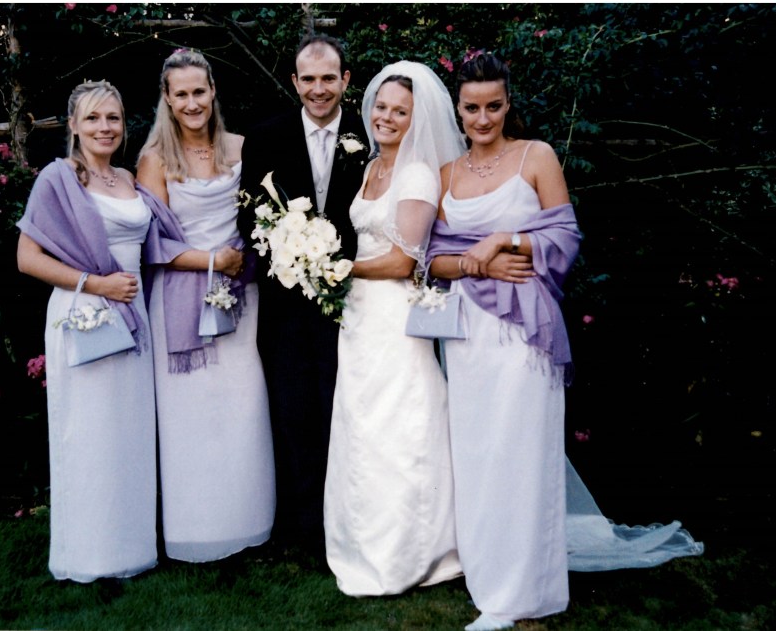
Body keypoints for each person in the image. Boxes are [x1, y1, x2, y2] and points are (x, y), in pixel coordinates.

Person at [429, 52, 704, 631]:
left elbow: (565, 232)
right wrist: (475, 264)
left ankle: (525, 594)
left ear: (509, 103)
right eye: (472, 108)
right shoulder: (446, 174)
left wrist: (507, 240)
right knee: (477, 454)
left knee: (522, 451)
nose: (483, 119)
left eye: (494, 106)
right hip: (468, 336)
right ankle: (487, 574)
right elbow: (433, 260)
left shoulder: (537, 156)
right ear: (457, 108)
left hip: (526, 331)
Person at [323, 61, 466, 596]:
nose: (386, 117)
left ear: (417, 118)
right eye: (381, 107)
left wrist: (334, 266)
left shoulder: (416, 175)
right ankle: (362, 542)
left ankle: (416, 551)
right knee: (363, 427)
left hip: (393, 315)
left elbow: (404, 261)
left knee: (397, 428)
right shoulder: (372, 168)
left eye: (399, 111)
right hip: (358, 316)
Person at [16, 80, 161, 582]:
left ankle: (133, 547)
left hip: (134, 310)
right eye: (94, 118)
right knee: (90, 434)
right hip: (85, 313)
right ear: (73, 125)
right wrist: (95, 283)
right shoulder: (58, 181)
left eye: (114, 118)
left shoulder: (128, 178)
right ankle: (89, 556)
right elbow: (26, 258)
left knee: (130, 430)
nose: (105, 127)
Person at [137, 48, 275, 562]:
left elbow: (262, 219)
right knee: (191, 419)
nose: (192, 102)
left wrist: (242, 258)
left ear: (213, 91)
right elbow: (155, 245)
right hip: (182, 299)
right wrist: (214, 260)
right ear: (168, 100)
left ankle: (251, 525)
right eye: (181, 94)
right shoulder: (154, 160)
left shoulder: (241, 148)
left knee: (243, 410)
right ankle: (196, 533)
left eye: (200, 91)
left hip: (242, 297)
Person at [239, 34, 369, 553]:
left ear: (345, 81)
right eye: (308, 79)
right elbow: (252, 213)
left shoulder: (369, 135)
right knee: (292, 410)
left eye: (328, 79)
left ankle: (349, 520)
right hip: (286, 303)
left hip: (353, 299)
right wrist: (294, 255)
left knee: (345, 408)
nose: (319, 90)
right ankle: (301, 529)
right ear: (294, 82)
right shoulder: (265, 135)